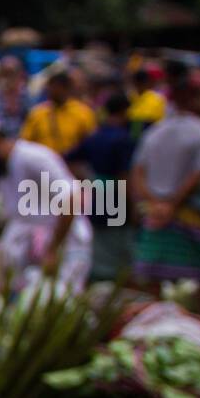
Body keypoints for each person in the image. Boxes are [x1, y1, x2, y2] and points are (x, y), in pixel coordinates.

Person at [0, 111, 92, 292]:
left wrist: (53, 249)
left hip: (64, 244)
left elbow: (70, 199)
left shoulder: (33, 157)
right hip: (31, 247)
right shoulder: (0, 168)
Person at [130, 71, 200, 314]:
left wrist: (155, 203)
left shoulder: (155, 132)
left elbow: (138, 171)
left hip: (157, 213)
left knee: (154, 276)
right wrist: (171, 204)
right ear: (192, 98)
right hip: (188, 212)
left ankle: (156, 326)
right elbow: (197, 175)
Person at [67, 92, 138, 283]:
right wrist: (133, 205)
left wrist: (86, 179)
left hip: (97, 192)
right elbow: (125, 174)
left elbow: (68, 159)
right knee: (118, 241)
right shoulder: (123, 139)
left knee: (98, 238)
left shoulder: (95, 136)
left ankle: (97, 280)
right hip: (117, 194)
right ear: (125, 112)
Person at [20, 70, 97, 156]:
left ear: (67, 89)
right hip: (43, 165)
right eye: (52, 88)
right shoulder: (37, 113)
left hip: (70, 164)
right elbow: (25, 142)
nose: (55, 91)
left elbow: (91, 143)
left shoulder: (83, 113)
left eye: (58, 88)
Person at [0, 55, 30, 137]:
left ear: (19, 74)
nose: (8, 78)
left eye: (11, 73)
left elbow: (29, 118)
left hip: (22, 137)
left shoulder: (25, 92)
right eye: (5, 73)